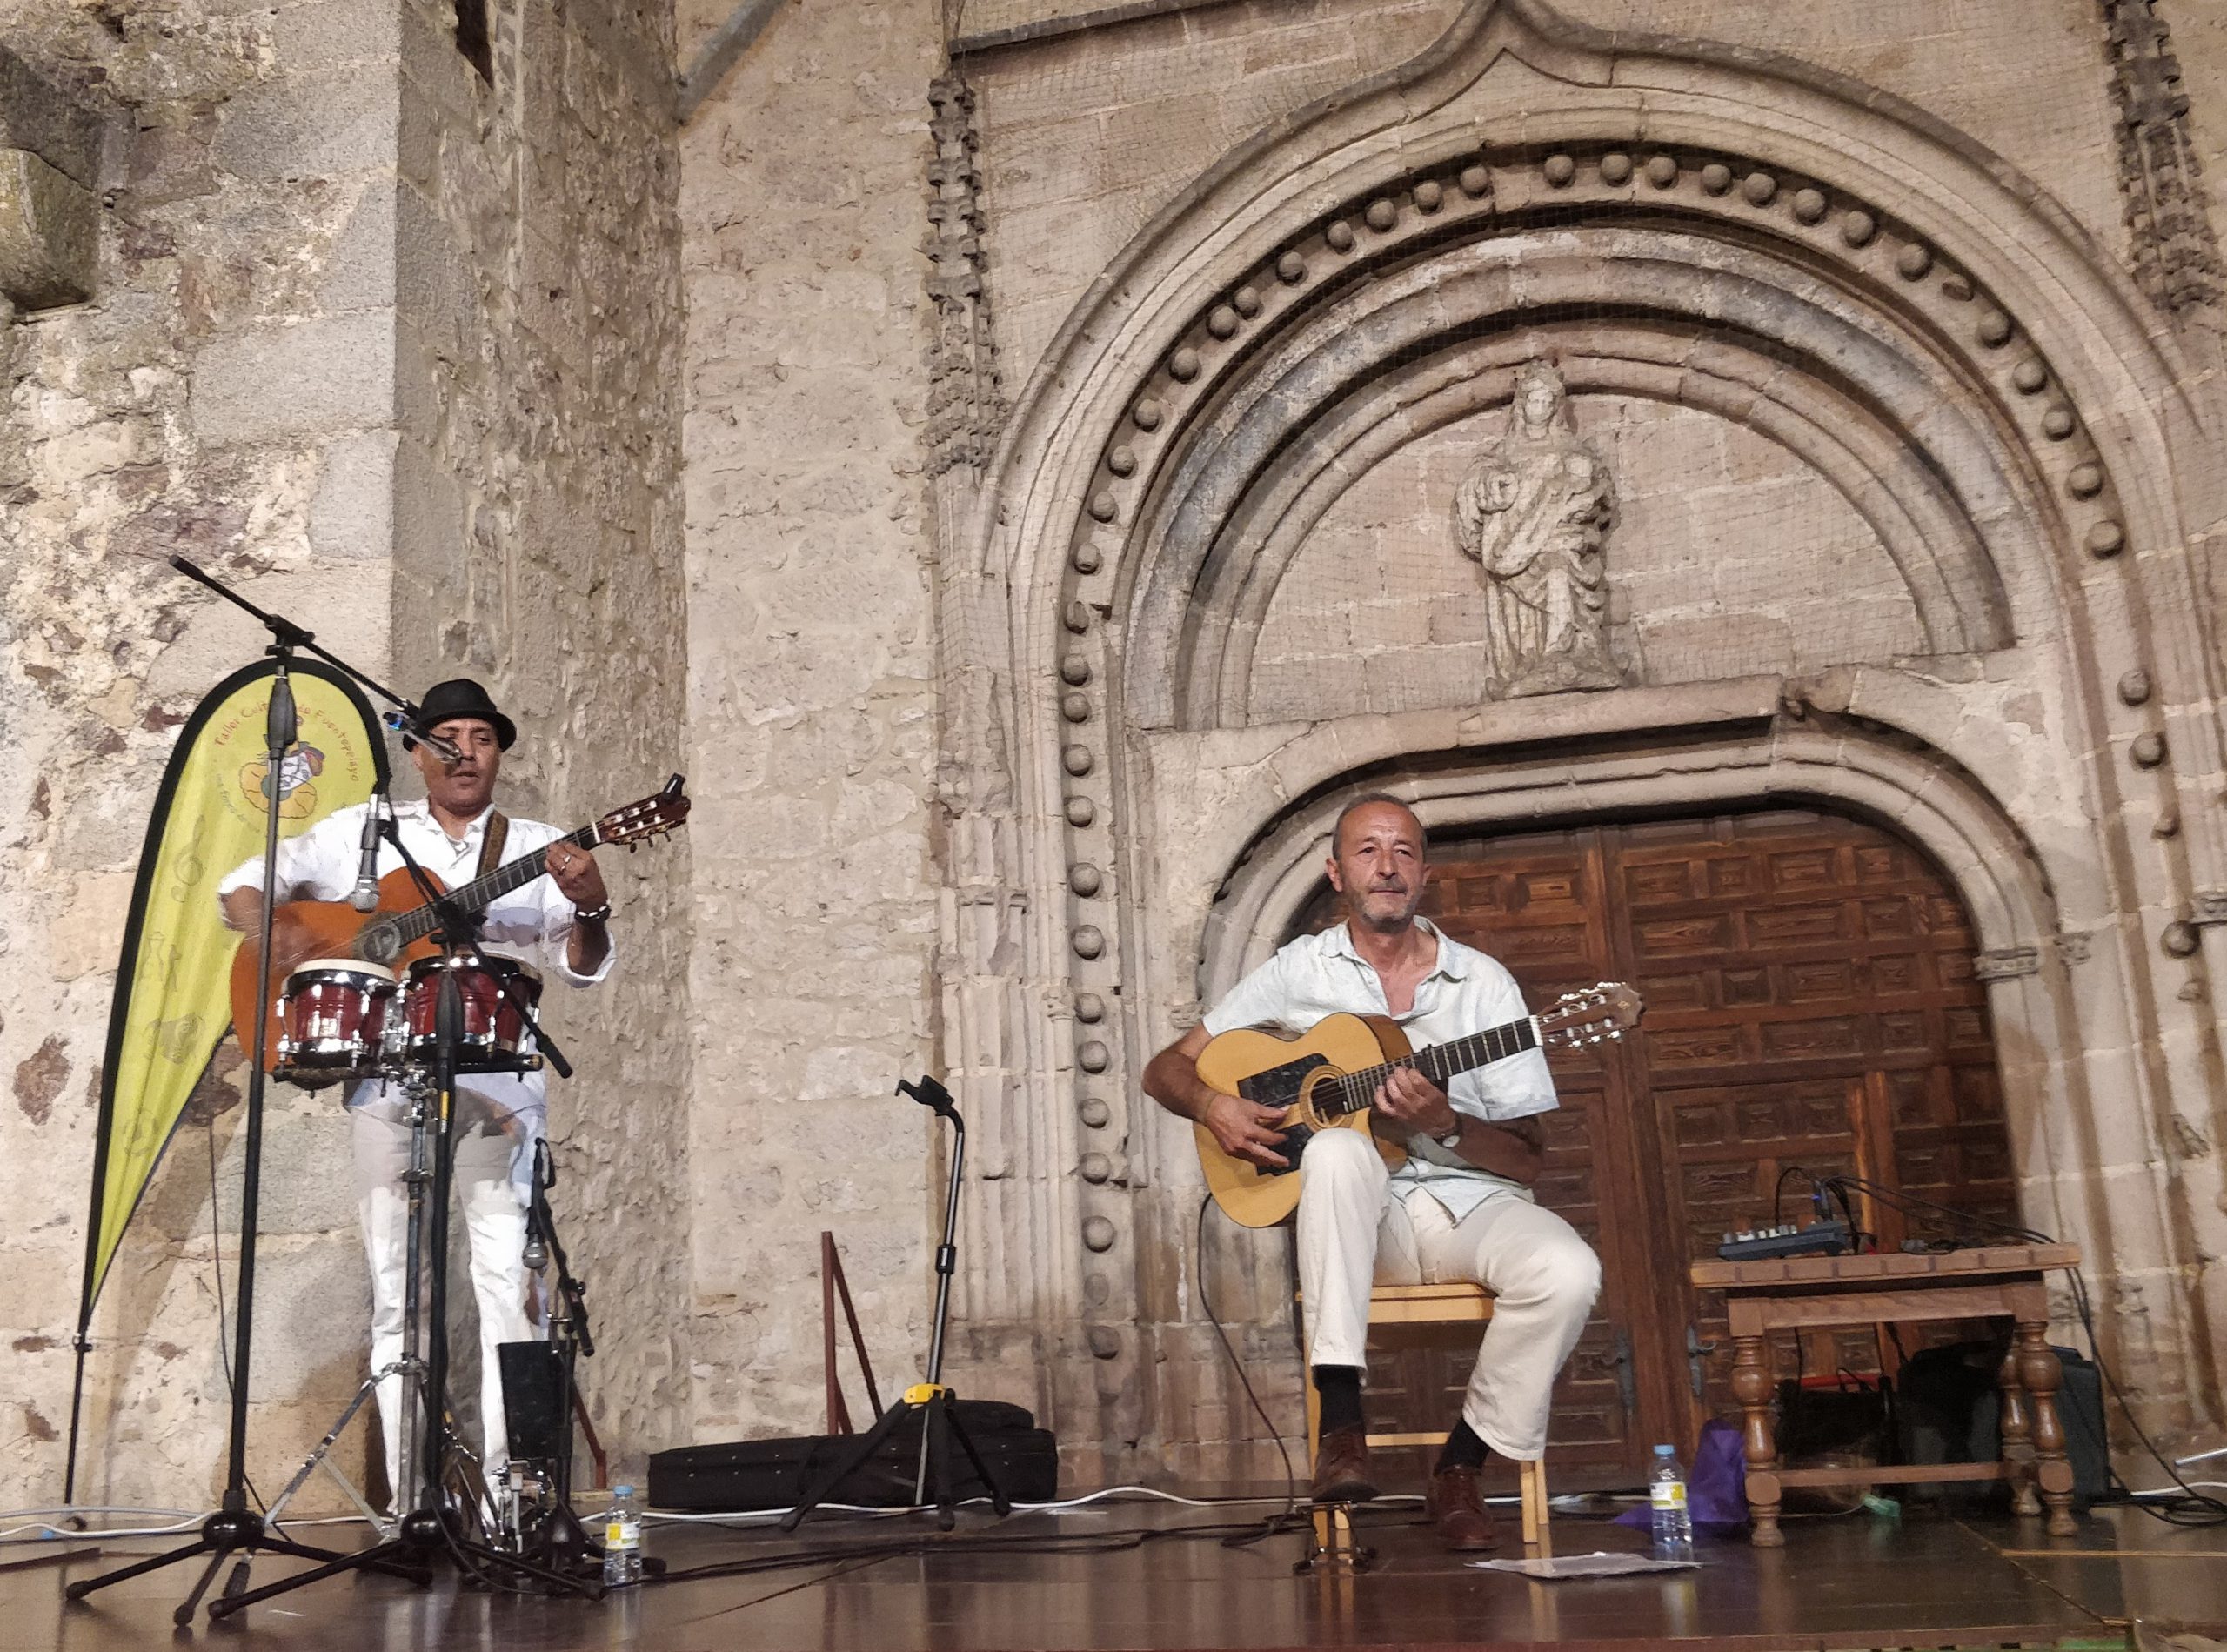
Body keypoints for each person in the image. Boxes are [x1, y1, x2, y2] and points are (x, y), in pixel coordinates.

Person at [1142, 794, 1600, 1551]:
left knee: (1570, 1269)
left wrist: (1444, 1122)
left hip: (1469, 1204)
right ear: (1335, 871)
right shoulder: (1300, 969)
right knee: (1338, 1148)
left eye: (1404, 851)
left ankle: (1460, 1467)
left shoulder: (1485, 986)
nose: (1386, 866)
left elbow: (1529, 1157)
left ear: (1424, 873)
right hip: (1360, 1222)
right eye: (1367, 850)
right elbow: (1166, 1068)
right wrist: (1214, 1106)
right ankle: (1343, 1425)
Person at [217, 678, 613, 1509]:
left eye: (481, 736)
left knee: (511, 1280)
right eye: (447, 736)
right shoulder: (367, 832)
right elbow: (242, 885)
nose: (464, 749)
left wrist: (591, 904)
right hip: (387, 1079)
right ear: (416, 751)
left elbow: (582, 966)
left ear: (498, 752)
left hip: (498, 1078)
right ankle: (412, 1502)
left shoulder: (537, 844)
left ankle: (517, 1492)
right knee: (401, 1286)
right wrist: (283, 935)